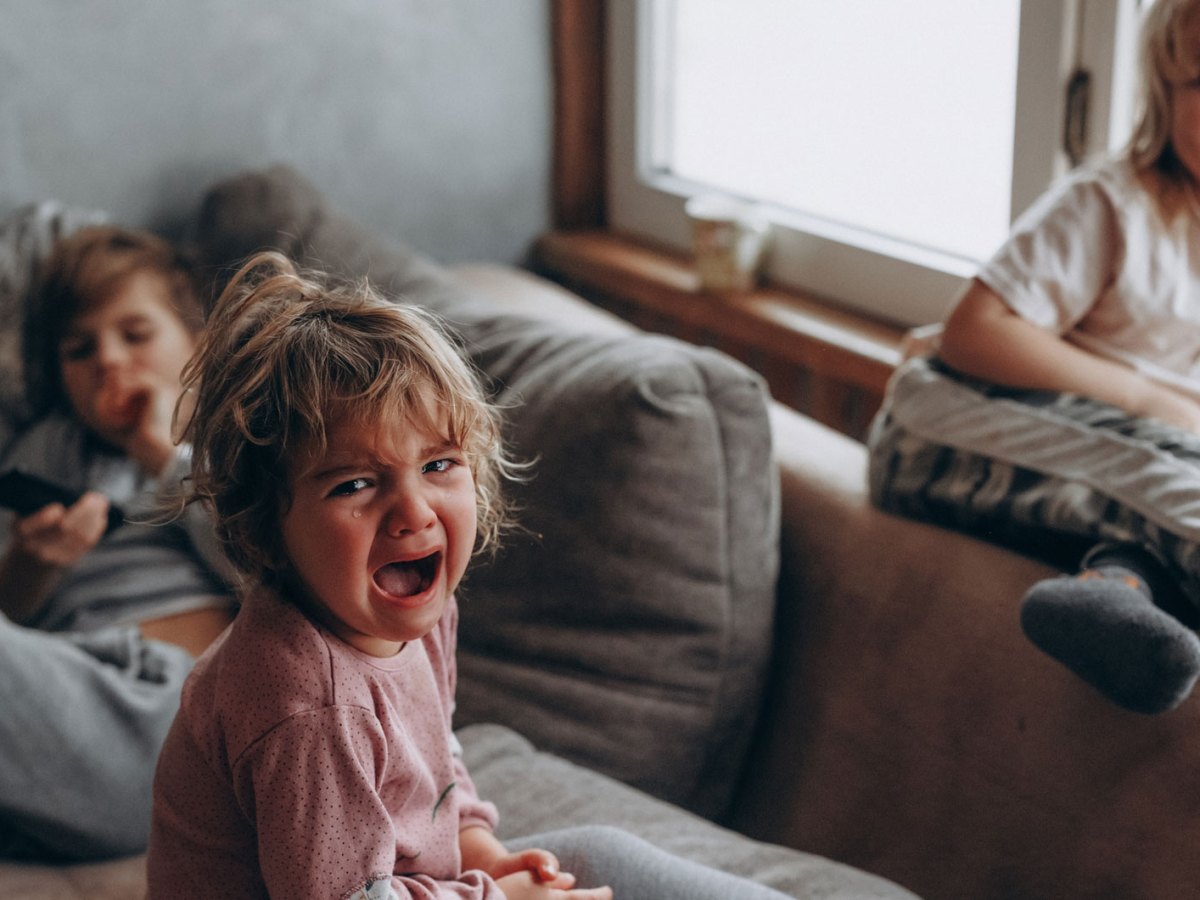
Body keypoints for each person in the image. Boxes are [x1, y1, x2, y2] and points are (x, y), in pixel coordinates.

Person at [146, 252, 800, 900]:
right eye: (356, 483)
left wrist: (479, 848)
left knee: (602, 857)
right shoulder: (309, 708)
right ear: (264, 527)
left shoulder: (412, 613)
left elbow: (430, 767)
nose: (413, 512)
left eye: (438, 465)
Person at [868, 0, 1200, 716]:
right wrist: (1150, 399)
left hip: (1117, 482)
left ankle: (1117, 596)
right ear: (1161, 91)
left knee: (1151, 506)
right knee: (1163, 477)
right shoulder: (1111, 205)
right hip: (958, 429)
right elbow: (973, 330)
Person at [0, 225, 236, 860]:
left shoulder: (236, 440)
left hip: (177, 712)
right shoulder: (47, 449)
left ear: (199, 343)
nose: (107, 360)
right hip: (67, 707)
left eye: (135, 335)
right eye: (80, 350)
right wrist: (28, 566)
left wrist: (161, 453)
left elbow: (269, 567)